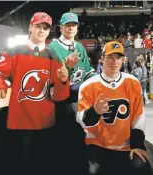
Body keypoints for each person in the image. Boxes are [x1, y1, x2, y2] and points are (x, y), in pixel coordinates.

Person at [0, 12, 69, 175]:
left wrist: (63, 81)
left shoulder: (54, 57)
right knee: (17, 167)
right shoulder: (14, 51)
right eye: (38, 26)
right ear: (30, 27)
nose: (41, 31)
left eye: (45, 28)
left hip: (45, 125)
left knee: (41, 167)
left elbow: (59, 96)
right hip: (18, 124)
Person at [76, 41, 151, 175]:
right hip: (98, 145)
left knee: (142, 167)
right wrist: (94, 111)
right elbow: (81, 120)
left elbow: (138, 116)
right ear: (102, 59)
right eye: (110, 57)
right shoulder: (88, 86)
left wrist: (137, 144)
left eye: (118, 57)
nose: (114, 61)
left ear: (123, 60)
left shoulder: (133, 83)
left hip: (126, 145)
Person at [48, 12, 96, 175]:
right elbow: (51, 77)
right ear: (61, 27)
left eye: (73, 25)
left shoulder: (80, 47)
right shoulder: (52, 48)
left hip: (80, 95)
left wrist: (98, 81)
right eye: (67, 25)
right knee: (68, 137)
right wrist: (66, 66)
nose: (70, 28)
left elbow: (88, 70)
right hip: (63, 99)